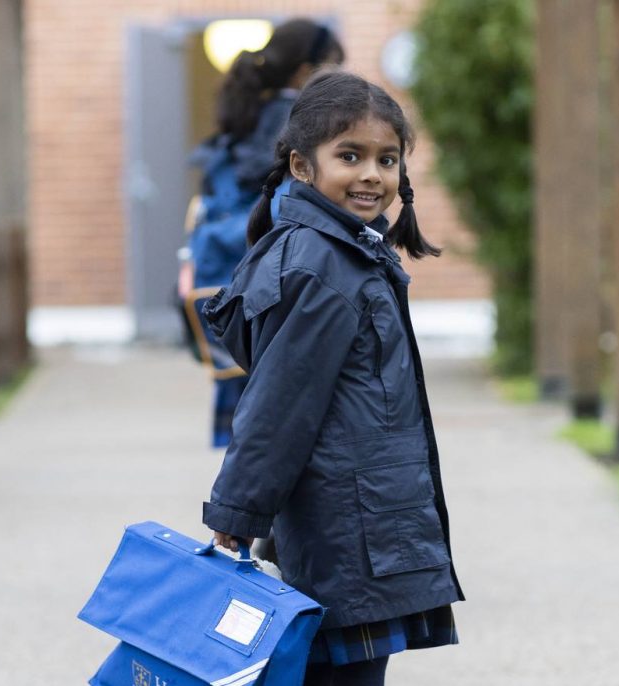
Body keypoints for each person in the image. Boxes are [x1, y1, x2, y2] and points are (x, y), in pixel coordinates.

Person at [201, 71, 461, 686]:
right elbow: (278, 405)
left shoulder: (341, 252)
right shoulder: (324, 264)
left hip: (353, 526)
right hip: (350, 534)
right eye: (350, 156)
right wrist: (236, 514)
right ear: (301, 166)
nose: (372, 174)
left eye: (387, 159)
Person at [180, 19, 345, 449]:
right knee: (284, 437)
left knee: (246, 439)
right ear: (305, 72)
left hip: (225, 281)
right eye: (333, 72)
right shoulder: (303, 126)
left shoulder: (245, 118)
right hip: (274, 286)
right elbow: (291, 209)